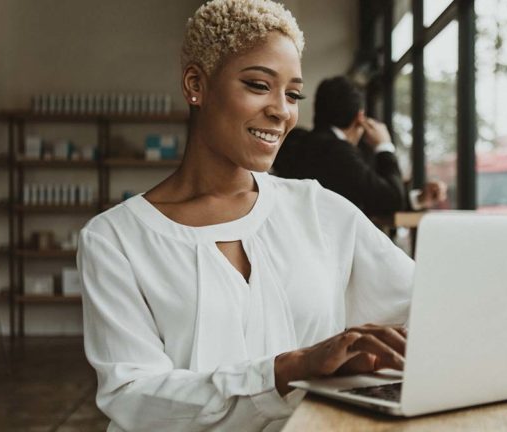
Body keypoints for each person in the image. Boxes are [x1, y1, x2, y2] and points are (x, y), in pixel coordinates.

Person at [77, 1, 413, 431]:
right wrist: (288, 368)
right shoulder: (114, 239)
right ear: (196, 84)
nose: (282, 110)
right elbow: (134, 398)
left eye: (293, 94)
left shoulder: (320, 209)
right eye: (258, 85)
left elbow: (423, 306)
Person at [272, 76, 447, 216]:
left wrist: (418, 199)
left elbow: (369, 196)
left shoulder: (295, 142)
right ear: (360, 117)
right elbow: (391, 200)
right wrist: (384, 146)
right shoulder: (338, 152)